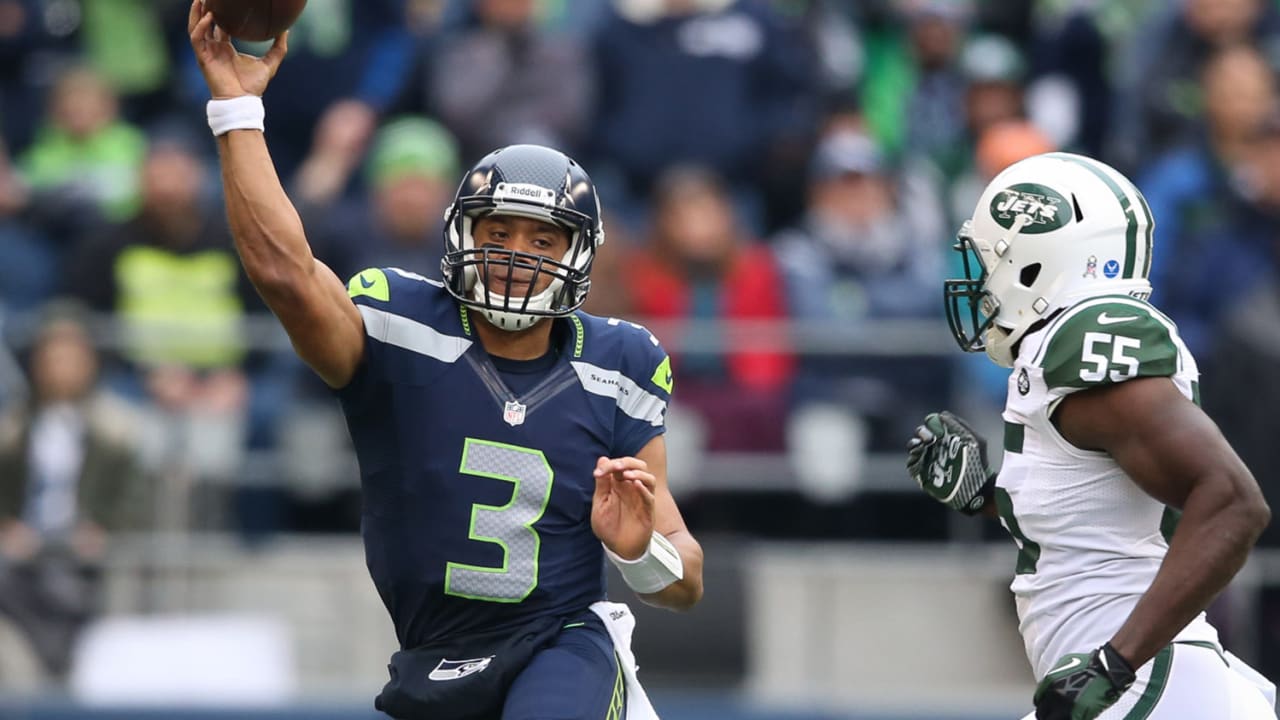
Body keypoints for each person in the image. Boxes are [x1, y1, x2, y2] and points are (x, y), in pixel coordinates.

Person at [186, 4, 704, 719]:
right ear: (462, 233)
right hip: (437, 662)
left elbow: (685, 578)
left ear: (579, 255)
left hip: (564, 644)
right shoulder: (400, 326)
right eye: (499, 230)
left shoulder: (620, 361)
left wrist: (640, 550)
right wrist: (237, 108)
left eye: (543, 240)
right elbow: (286, 275)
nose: (518, 254)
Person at [905, 152, 1275, 719]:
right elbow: (1098, 518)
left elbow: (1231, 502)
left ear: (1033, 263)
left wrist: (1115, 662)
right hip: (1143, 679)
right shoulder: (1056, 354)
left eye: (986, 261)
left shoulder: (1083, 341)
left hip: (1148, 685)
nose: (975, 281)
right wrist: (988, 496)